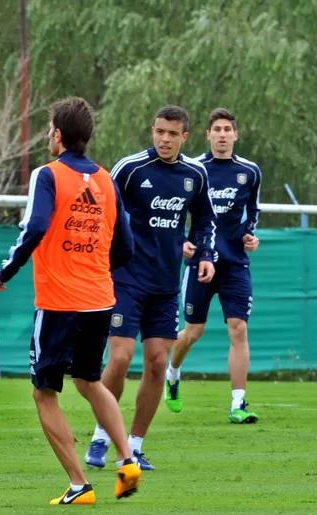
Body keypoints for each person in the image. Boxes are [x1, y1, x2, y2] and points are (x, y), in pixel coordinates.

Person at [0, 97, 141, 504]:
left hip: (59, 303)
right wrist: (92, 264)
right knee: (90, 380)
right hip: (99, 299)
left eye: (49, 130)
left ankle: (80, 485)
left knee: (44, 392)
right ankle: (128, 460)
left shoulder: (48, 175)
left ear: (57, 135)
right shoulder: (107, 181)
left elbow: (35, 227)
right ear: (87, 137)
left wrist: (6, 271)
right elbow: (125, 247)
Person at [85, 105, 218, 471]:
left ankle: (136, 445)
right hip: (126, 280)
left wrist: (203, 252)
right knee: (121, 357)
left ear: (185, 137)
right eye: (159, 131)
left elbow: (205, 220)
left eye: (172, 134)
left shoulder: (195, 174)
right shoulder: (130, 169)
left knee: (158, 364)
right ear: (153, 131)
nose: (164, 139)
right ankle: (100, 435)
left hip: (166, 286)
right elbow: (102, 213)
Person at [166, 108, 261, 423]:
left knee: (239, 328)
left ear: (235, 134)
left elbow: (253, 211)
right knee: (193, 332)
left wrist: (251, 235)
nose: (222, 134)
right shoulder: (193, 169)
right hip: (199, 264)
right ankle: (173, 372)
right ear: (207, 135)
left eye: (227, 129)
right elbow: (177, 211)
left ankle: (238, 404)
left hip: (235, 264)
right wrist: (181, 242)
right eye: (216, 129)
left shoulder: (249, 171)